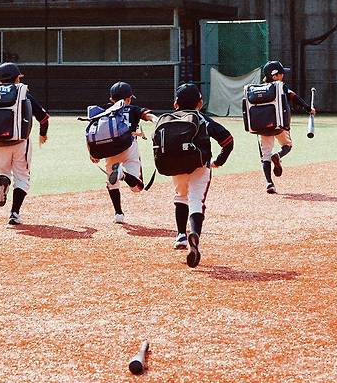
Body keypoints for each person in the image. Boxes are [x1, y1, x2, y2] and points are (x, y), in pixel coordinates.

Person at [0, 62, 49, 225]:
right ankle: (14, 213)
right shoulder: (23, 93)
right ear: (17, 78)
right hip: (20, 141)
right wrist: (43, 134)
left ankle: (2, 182)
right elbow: (44, 118)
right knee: (22, 177)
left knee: (2, 172)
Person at [169, 82, 234, 268]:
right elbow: (228, 140)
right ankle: (194, 233)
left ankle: (181, 235)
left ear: (176, 104)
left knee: (180, 196)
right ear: (200, 103)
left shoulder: (169, 119)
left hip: (176, 166)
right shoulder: (203, 119)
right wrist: (219, 161)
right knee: (196, 200)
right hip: (200, 165)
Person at [89, 82, 156, 223]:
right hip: (128, 148)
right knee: (137, 187)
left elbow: (92, 131)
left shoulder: (104, 111)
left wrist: (92, 153)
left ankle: (118, 214)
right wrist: (156, 120)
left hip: (109, 150)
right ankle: (122, 174)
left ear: (111, 99)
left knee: (111, 184)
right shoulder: (132, 108)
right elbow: (147, 115)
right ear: (129, 98)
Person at [258, 60, 315, 194]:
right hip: (279, 125)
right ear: (274, 76)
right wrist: (308, 108)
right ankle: (278, 155)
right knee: (287, 146)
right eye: (281, 73)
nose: (283, 75)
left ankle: (269, 183)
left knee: (265, 154)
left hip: (263, 127)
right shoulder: (280, 86)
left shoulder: (259, 89)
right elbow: (294, 97)